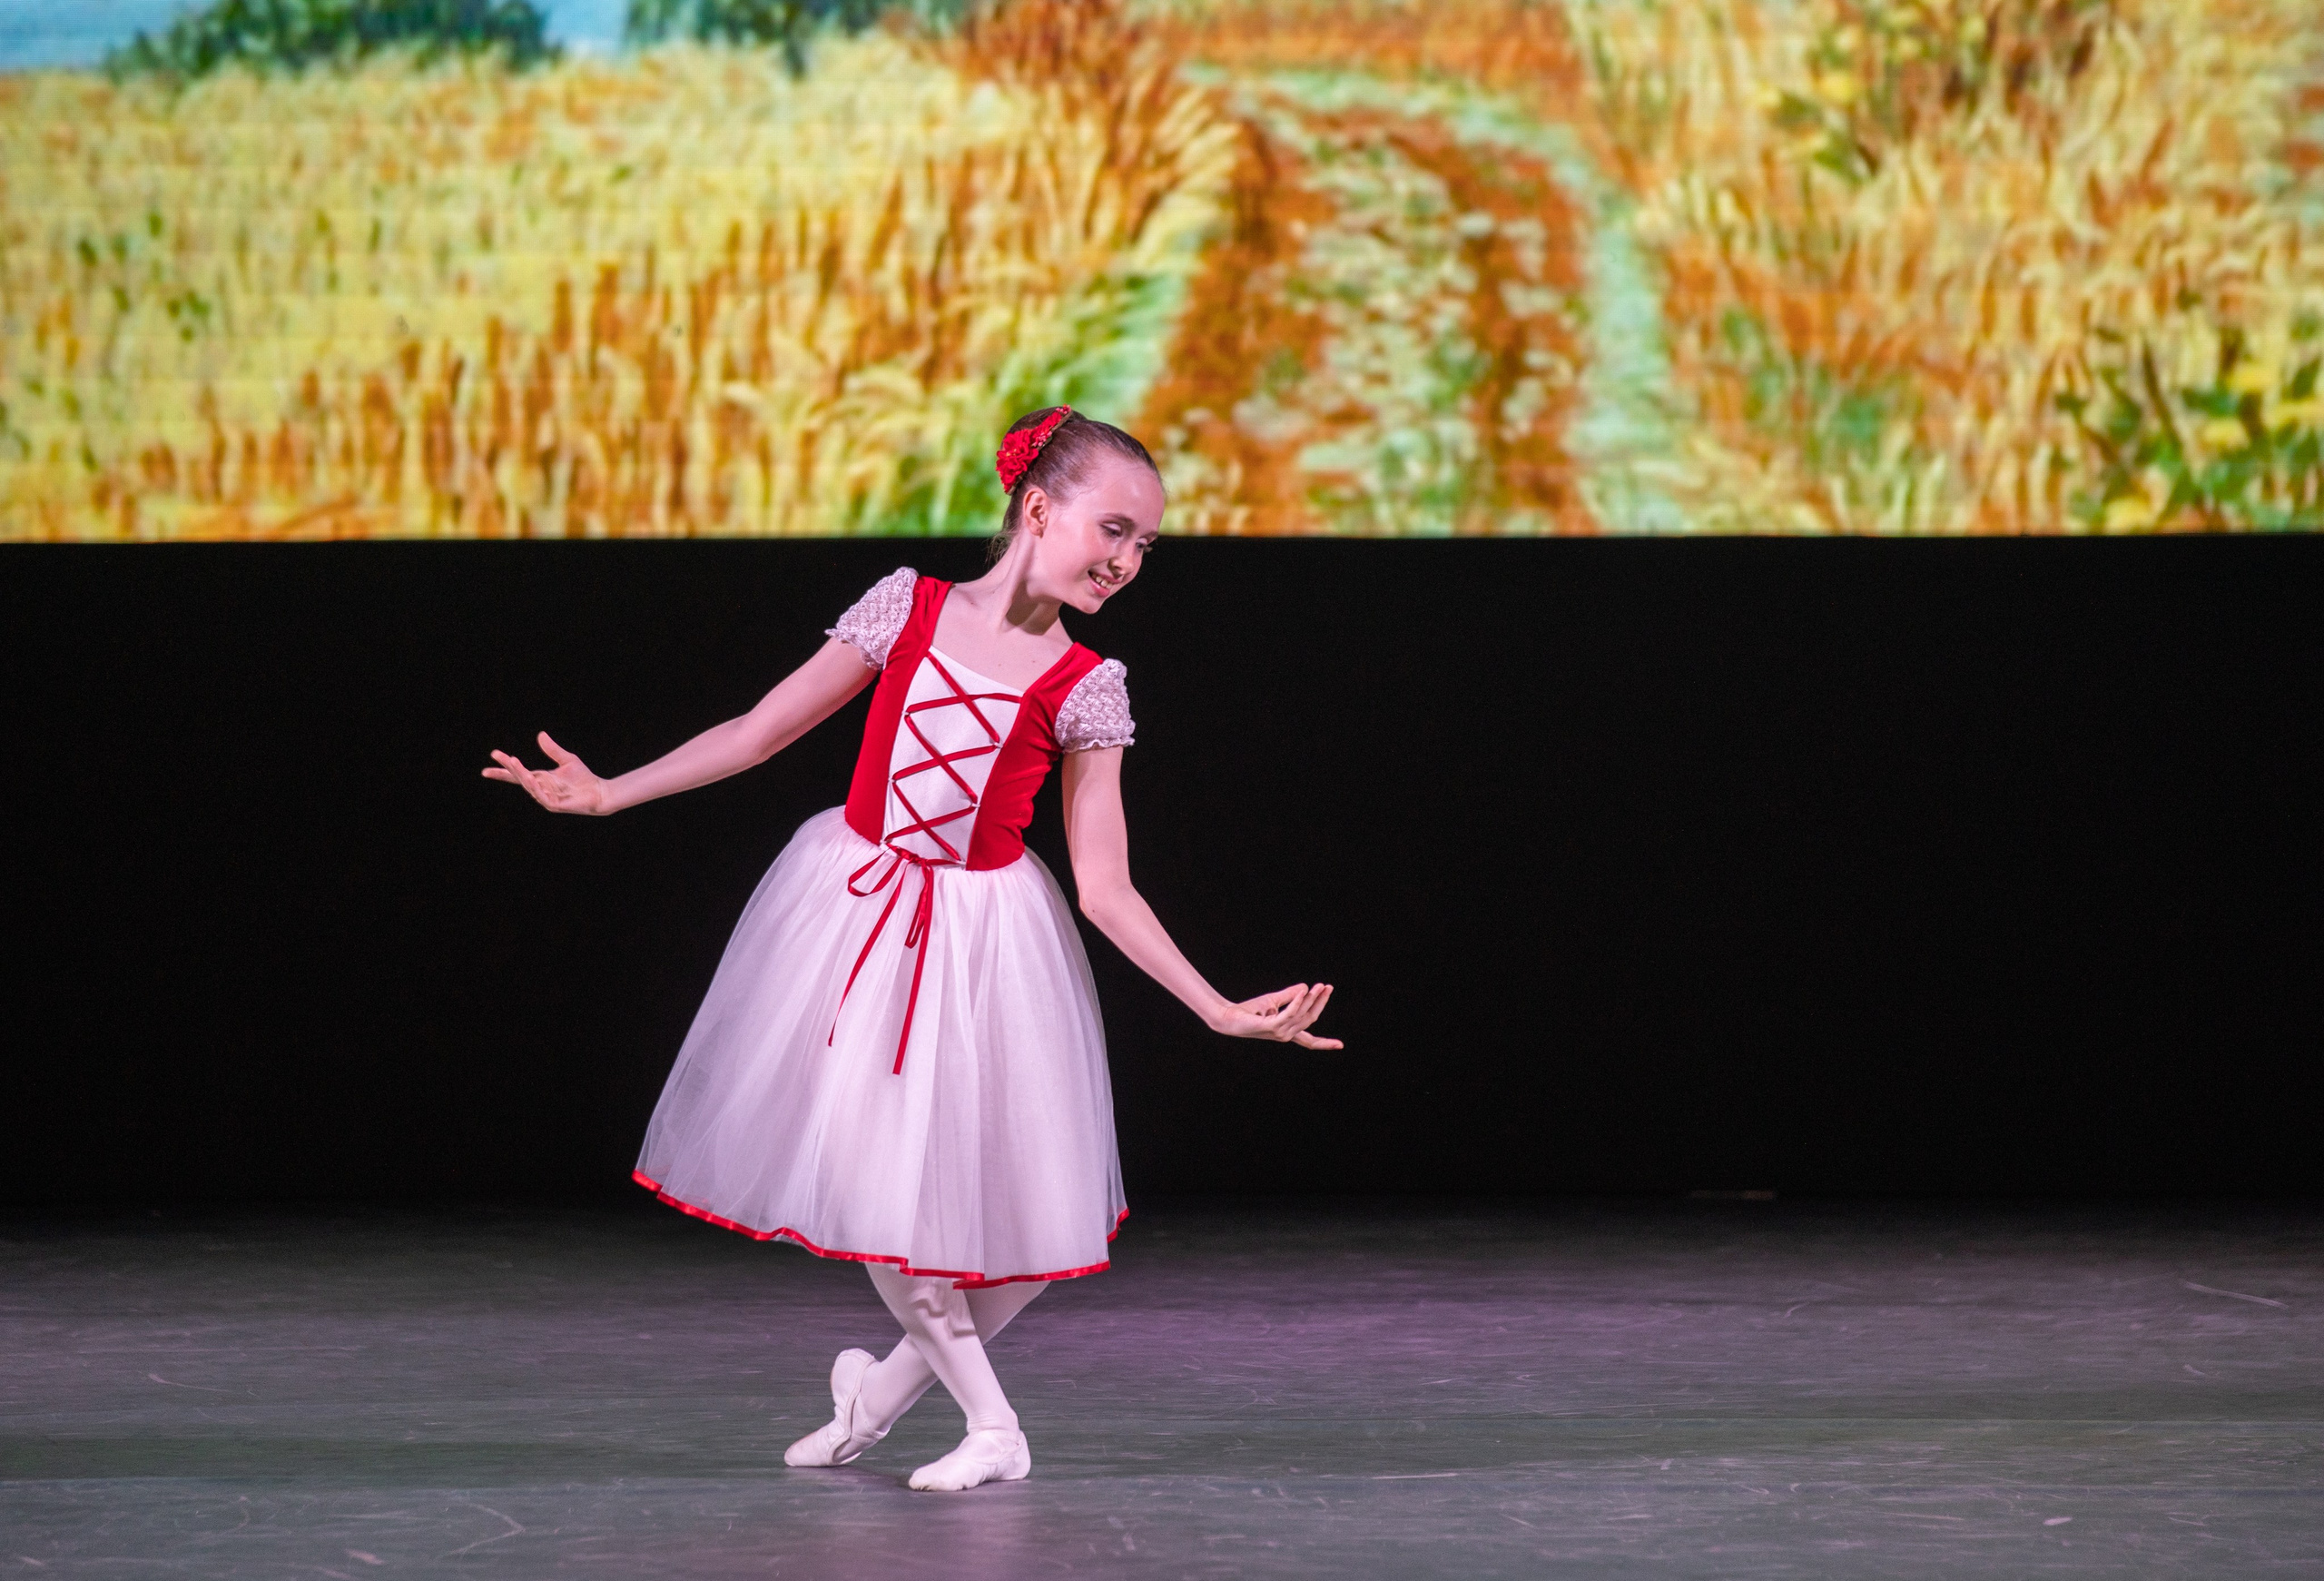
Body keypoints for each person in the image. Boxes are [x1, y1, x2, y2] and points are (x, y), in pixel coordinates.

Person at [484, 407, 1340, 1491]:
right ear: (1037, 508)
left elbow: (1107, 885)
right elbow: (759, 731)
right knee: (891, 1201)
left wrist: (1213, 1006)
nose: (1126, 562)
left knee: (1029, 1222)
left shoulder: (1087, 686)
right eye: (1112, 531)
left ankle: (878, 1395)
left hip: (987, 949)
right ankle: (993, 1427)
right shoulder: (908, 608)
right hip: (858, 920)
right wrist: (611, 792)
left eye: (1144, 547)